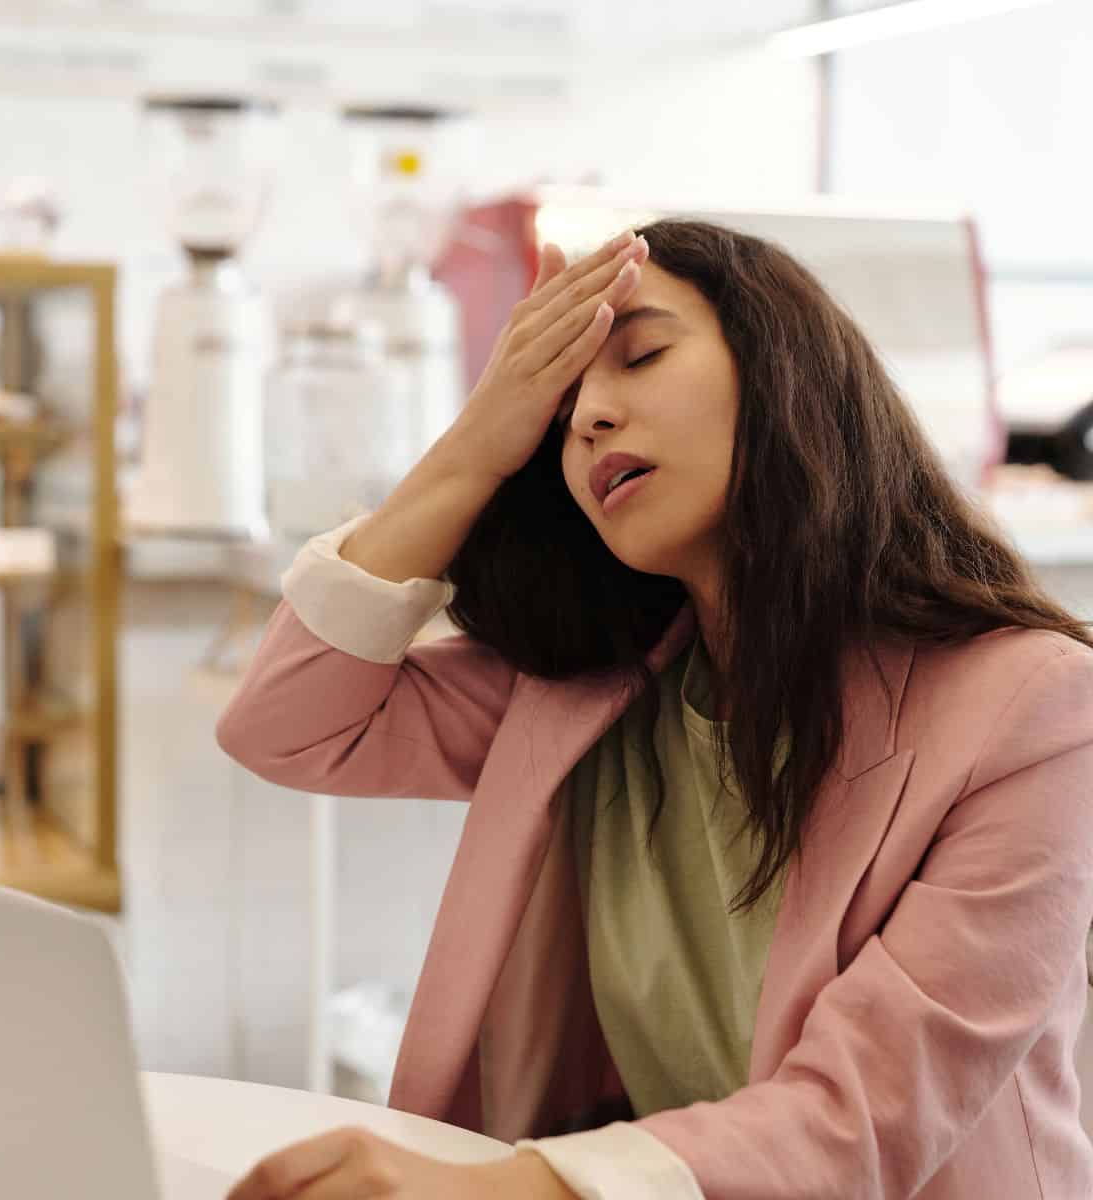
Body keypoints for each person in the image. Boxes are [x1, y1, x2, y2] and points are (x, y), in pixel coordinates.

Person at [216, 221, 1093, 1199]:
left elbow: (864, 1116)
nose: (588, 416)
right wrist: (473, 446)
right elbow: (288, 723)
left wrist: (493, 1191)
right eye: (560, 407)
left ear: (783, 375)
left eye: (640, 354)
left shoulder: (1033, 710)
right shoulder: (590, 694)